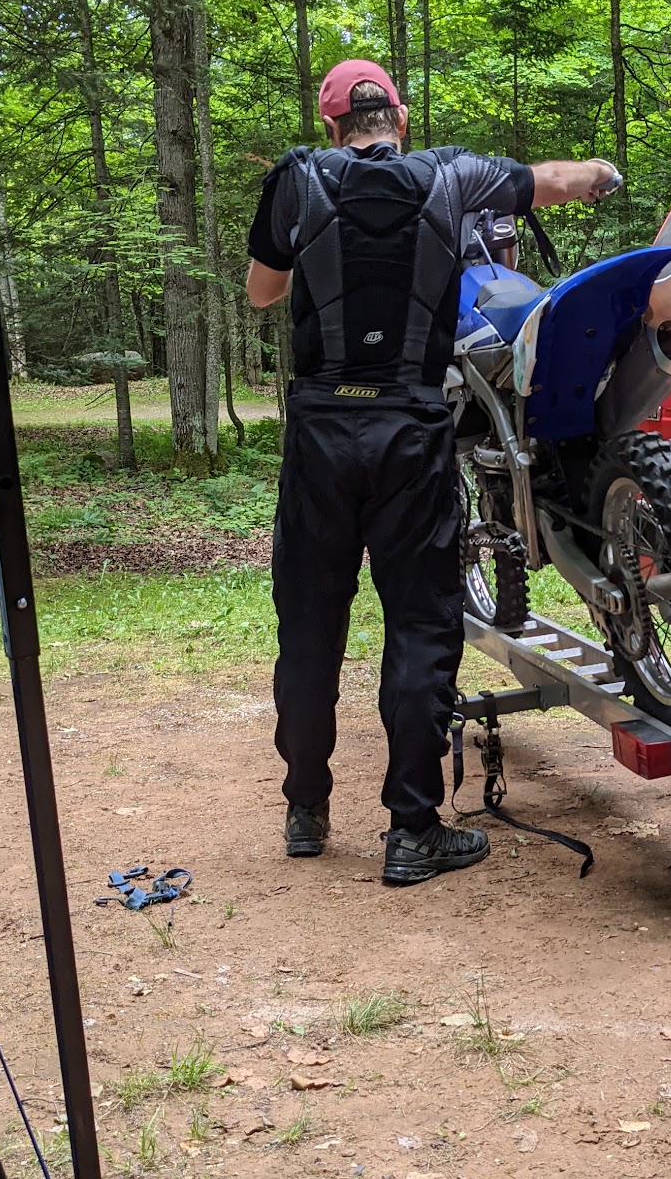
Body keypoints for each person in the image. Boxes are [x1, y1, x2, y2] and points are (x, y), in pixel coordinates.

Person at [245, 58, 618, 881]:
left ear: (330, 123)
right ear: (400, 118)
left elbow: (263, 292)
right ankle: (412, 832)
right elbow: (551, 180)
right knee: (419, 625)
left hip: (320, 429)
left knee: (309, 626)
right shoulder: (453, 174)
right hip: (410, 427)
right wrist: (599, 174)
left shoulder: (297, 180)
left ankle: (306, 809)